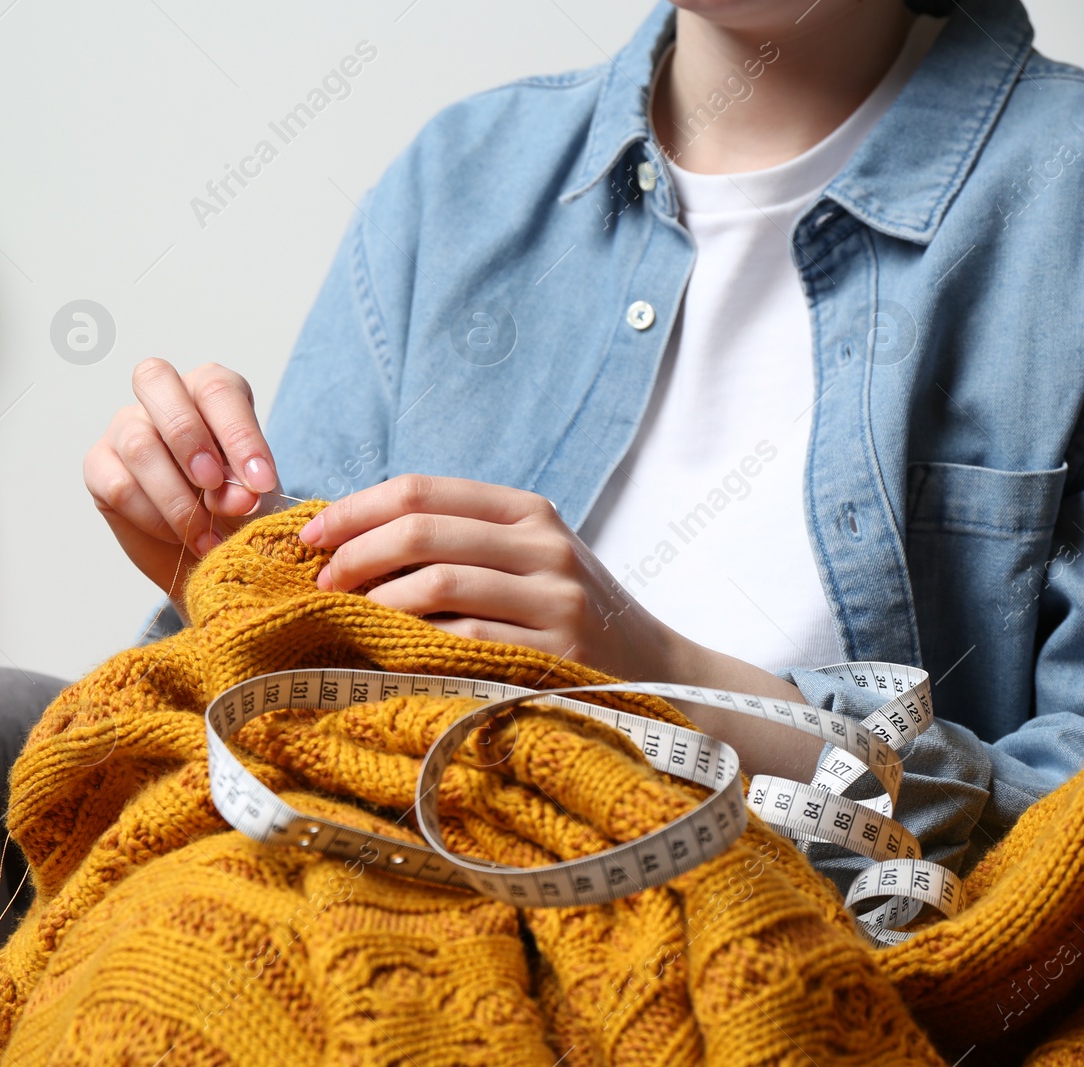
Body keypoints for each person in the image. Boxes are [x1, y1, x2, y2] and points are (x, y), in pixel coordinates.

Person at [82, 0, 1084, 891]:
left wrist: (653, 671)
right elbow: (229, 734)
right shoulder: (456, 180)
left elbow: (1059, 807)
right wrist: (223, 578)